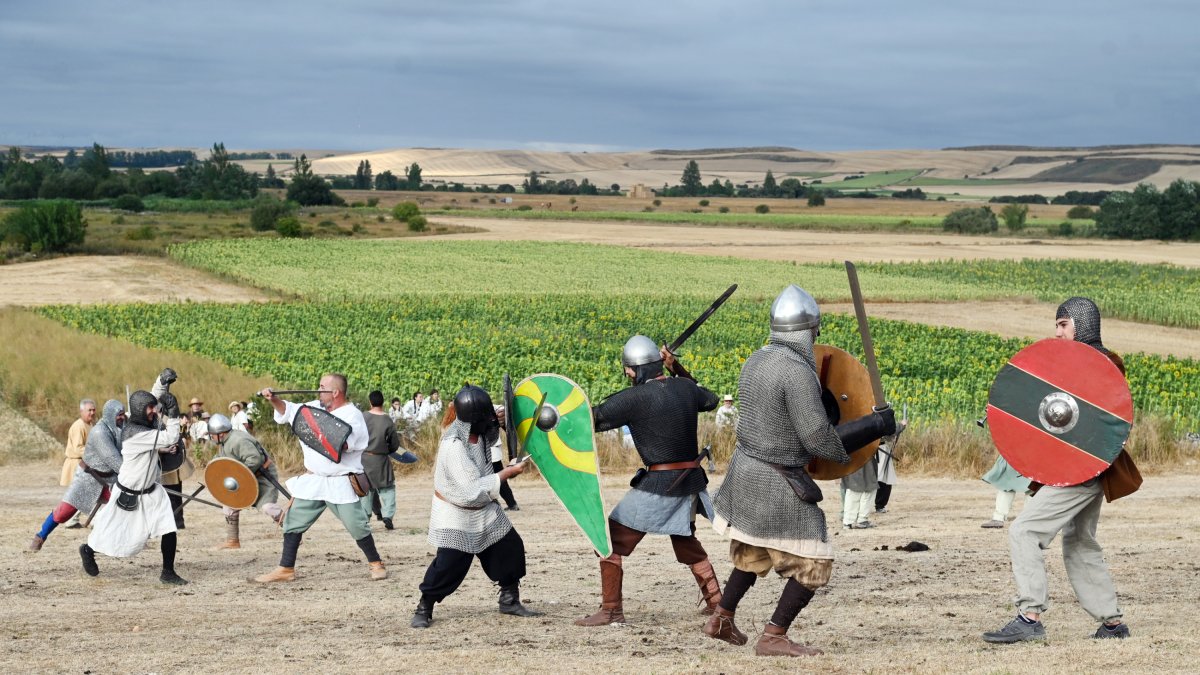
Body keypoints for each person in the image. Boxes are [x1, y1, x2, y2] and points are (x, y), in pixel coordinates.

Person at [705, 285, 896, 657]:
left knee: (754, 547)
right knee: (814, 558)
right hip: (777, 477)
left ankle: (721, 617)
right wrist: (875, 427)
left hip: (746, 471)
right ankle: (774, 635)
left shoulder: (756, 359)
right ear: (810, 330)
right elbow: (817, 438)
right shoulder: (796, 371)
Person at [983, 297, 1139, 643]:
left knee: (1024, 531)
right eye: (1056, 325)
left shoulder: (1104, 364)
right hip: (1087, 468)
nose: (1057, 332)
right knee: (1080, 540)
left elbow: (1101, 420)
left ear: (1083, 326)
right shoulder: (1068, 363)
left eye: (1063, 325)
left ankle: (1029, 616)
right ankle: (1112, 623)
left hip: (1085, 467)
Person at [575, 335, 723, 627]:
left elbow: (588, 419)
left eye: (629, 370)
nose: (628, 375)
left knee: (607, 540)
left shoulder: (633, 398)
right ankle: (717, 602)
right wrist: (676, 367)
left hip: (662, 484)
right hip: (690, 481)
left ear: (636, 369)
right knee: (685, 540)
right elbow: (710, 399)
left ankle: (611, 610)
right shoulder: (685, 388)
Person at [411, 385, 540, 628]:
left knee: (510, 547)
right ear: (475, 419)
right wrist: (508, 472)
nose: (491, 420)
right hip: (457, 511)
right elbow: (471, 489)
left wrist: (503, 418)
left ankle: (509, 599)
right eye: (487, 416)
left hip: (484, 510)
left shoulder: (478, 429)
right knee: (449, 564)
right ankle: (424, 606)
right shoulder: (453, 445)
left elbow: (495, 425)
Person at [253, 373, 387, 583]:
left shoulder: (352, 416)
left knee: (357, 525)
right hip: (314, 480)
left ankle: (376, 563)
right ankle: (286, 569)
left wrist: (318, 427)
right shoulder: (313, 407)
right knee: (292, 522)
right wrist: (274, 400)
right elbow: (288, 411)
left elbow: (341, 445)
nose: (318, 390)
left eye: (322, 387)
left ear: (335, 392)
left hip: (340, 481)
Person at [80, 390, 188, 585]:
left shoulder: (141, 422)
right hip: (128, 493)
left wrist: (162, 383)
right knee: (110, 531)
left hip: (152, 491)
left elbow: (149, 398)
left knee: (168, 528)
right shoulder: (135, 434)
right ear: (139, 410)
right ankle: (88, 550)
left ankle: (168, 572)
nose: (153, 411)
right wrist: (173, 412)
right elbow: (171, 437)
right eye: (150, 408)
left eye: (153, 407)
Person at [29, 400, 125, 551]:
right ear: (110, 415)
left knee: (124, 506)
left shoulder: (119, 429)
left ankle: (116, 542)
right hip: (89, 477)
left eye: (123, 414)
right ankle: (40, 536)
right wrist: (130, 472)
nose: (122, 417)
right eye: (119, 415)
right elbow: (112, 458)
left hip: (109, 478)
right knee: (63, 513)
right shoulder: (99, 431)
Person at [207, 413, 284, 549]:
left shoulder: (238, 440)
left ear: (221, 433)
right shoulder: (225, 442)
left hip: (263, 477)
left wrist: (239, 475)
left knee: (268, 508)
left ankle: (293, 533)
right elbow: (220, 459)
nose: (211, 437)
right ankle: (233, 541)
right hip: (245, 478)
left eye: (212, 434)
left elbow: (255, 459)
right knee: (229, 503)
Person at [361, 390, 406, 530]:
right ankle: (387, 516)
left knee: (366, 491)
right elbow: (394, 445)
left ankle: (364, 517)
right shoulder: (387, 420)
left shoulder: (363, 417)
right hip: (381, 459)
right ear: (383, 402)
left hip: (364, 459)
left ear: (370, 402)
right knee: (387, 489)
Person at [59, 398, 97, 527]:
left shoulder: (90, 425)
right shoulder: (78, 426)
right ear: (81, 411)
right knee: (80, 493)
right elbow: (78, 448)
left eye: (93, 410)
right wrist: (95, 452)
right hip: (77, 464)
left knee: (86, 493)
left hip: (86, 463)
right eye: (89, 410)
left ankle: (76, 520)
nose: (92, 413)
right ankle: (71, 520)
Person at [980, 455, 1029, 528]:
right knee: (1005, 485)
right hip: (1014, 454)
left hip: (1033, 456)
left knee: (1032, 488)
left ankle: (1029, 520)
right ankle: (998, 518)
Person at [840, 449, 878, 530]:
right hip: (861, 458)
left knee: (854, 490)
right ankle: (861, 520)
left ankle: (849, 521)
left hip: (852, 458)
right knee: (866, 489)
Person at [490, 405, 519, 511]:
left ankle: (512, 503)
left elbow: (503, 408)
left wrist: (502, 414)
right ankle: (510, 503)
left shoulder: (491, 407)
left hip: (492, 450)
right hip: (481, 449)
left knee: (500, 479)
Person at [874, 437, 898, 514]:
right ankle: (879, 505)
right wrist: (900, 426)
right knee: (883, 478)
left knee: (883, 478)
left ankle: (880, 505)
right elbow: (889, 433)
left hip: (877, 449)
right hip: (877, 450)